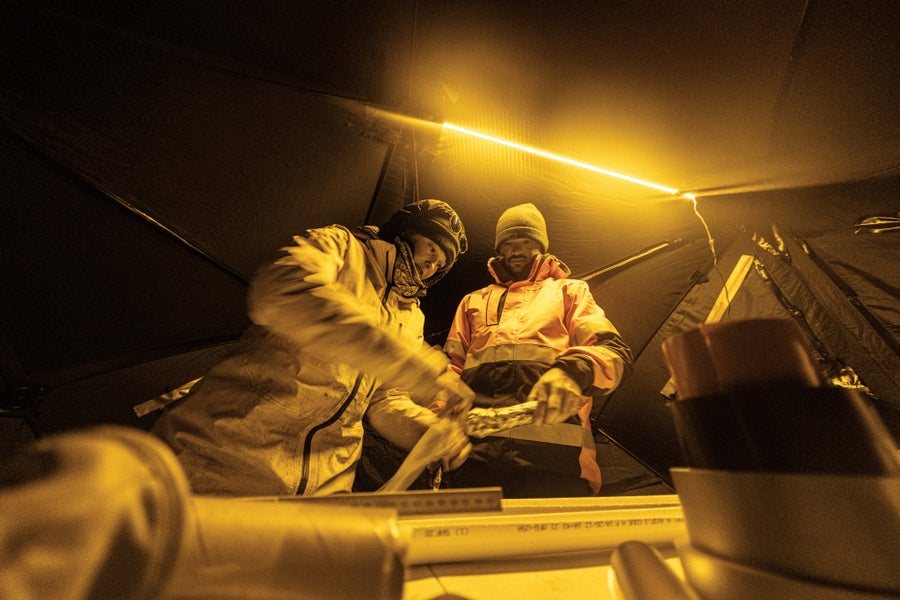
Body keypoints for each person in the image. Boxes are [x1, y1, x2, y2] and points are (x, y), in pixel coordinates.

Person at [151, 199, 474, 496]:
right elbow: (286, 291)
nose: (431, 265)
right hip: (227, 456)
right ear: (405, 232)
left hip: (323, 488)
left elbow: (384, 400)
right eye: (431, 248)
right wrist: (420, 369)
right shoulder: (340, 247)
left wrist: (428, 432)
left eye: (440, 264)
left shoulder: (412, 316)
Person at [438, 202, 633, 498]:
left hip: (557, 467)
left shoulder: (570, 292)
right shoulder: (472, 302)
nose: (517, 249)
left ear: (541, 246)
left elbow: (614, 352)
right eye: (509, 242)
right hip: (474, 464)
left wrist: (571, 373)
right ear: (499, 249)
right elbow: (452, 370)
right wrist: (434, 424)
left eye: (526, 241)